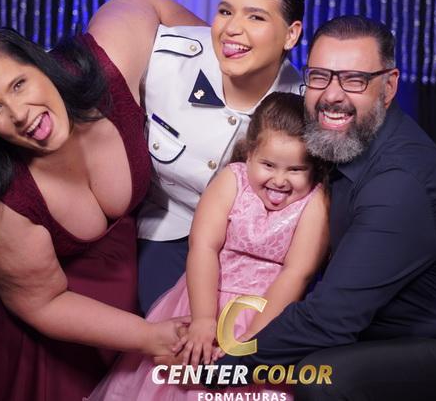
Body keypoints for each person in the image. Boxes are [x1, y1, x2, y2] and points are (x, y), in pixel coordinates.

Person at [0, 0, 202, 401]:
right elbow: (42, 302)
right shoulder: (8, 197)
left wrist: (238, 79)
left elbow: (148, 5)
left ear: (41, 62)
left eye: (19, 84)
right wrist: (149, 336)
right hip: (52, 316)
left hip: (127, 277)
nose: (19, 113)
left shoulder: (108, 69)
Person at [215, 16, 436, 400]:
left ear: (389, 86)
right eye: (320, 77)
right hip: (373, 333)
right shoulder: (335, 142)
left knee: (321, 378)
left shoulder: (399, 181)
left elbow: (330, 318)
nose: (332, 95)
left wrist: (225, 368)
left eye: (354, 80)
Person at [87, 0, 313, 314]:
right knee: (169, 330)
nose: (232, 29)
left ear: (291, 34)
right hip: (166, 231)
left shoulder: (303, 109)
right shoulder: (165, 61)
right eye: (225, 12)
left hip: (251, 250)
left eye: (255, 17)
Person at [87, 92, 329, 400]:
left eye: (295, 170)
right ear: (250, 154)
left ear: (312, 168)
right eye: (268, 165)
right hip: (205, 297)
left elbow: (296, 273)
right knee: (179, 373)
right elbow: (203, 247)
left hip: (269, 311)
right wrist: (203, 319)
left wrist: (254, 340)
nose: (280, 180)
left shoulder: (315, 201)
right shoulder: (232, 180)